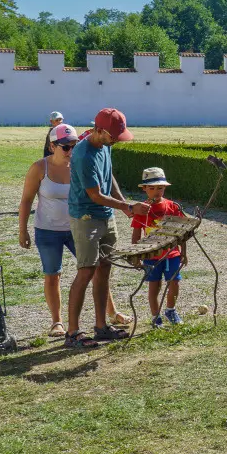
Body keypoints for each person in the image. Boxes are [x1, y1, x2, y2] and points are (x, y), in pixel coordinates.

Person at [17, 123, 126, 336]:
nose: (70, 151)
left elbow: (105, 181)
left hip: (79, 226)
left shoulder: (79, 163)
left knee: (95, 270)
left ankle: (111, 313)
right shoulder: (40, 168)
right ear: (52, 146)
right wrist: (23, 230)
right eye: (65, 147)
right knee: (53, 274)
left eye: (74, 146)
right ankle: (57, 322)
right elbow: (26, 200)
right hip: (48, 229)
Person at [66, 108, 147, 348]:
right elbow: (95, 195)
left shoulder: (106, 146)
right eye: (112, 136)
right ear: (99, 130)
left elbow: (109, 177)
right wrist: (128, 205)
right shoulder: (83, 155)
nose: (115, 141)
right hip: (86, 216)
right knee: (86, 271)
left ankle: (101, 327)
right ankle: (72, 333)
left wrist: (123, 206)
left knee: (104, 269)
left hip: (106, 215)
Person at [131, 166, 187, 328]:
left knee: (174, 282)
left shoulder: (173, 207)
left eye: (160, 188)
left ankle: (170, 310)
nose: (156, 191)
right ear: (144, 189)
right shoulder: (141, 210)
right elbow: (136, 235)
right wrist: (136, 255)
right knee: (154, 285)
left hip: (172, 253)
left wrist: (183, 252)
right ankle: (156, 317)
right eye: (152, 188)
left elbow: (182, 231)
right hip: (150, 255)